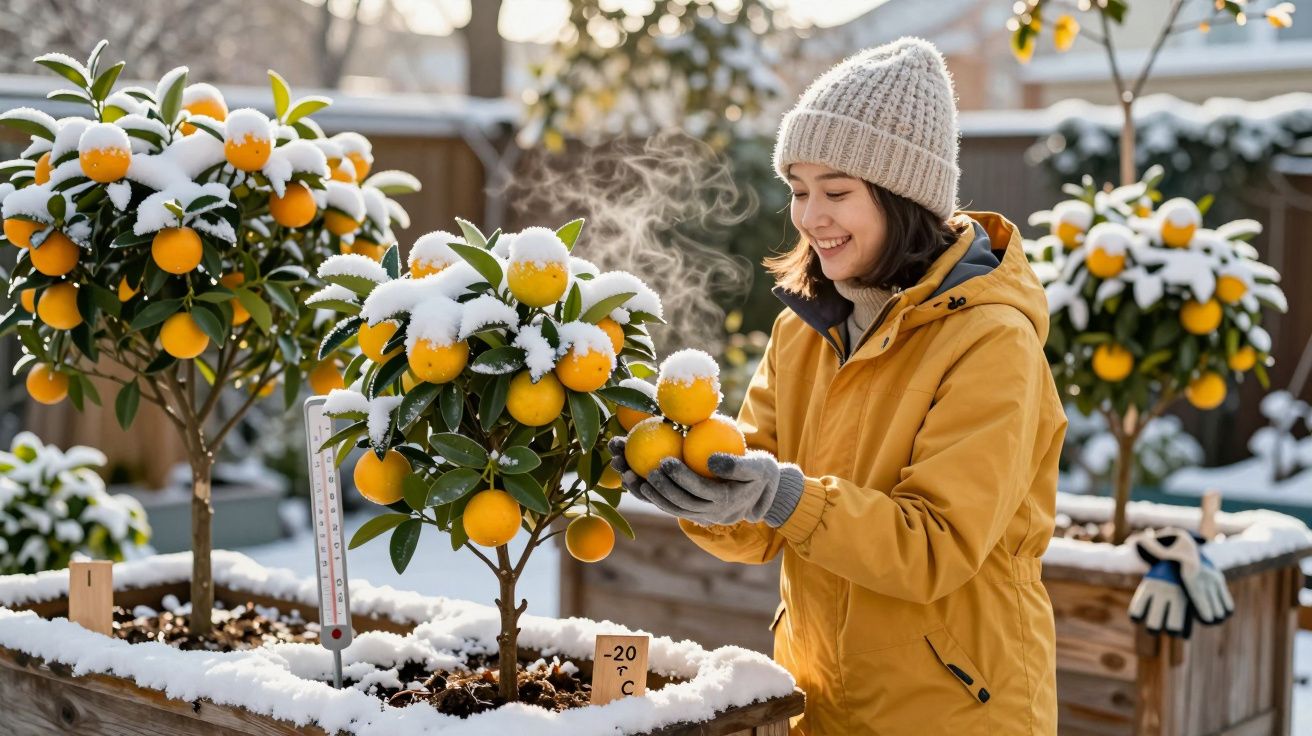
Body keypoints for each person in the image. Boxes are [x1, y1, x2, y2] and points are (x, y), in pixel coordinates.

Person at [609, 37, 1066, 735]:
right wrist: (700, 495)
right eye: (798, 190)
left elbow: (934, 546)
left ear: (903, 194)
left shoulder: (991, 340)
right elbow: (758, 517)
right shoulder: (805, 329)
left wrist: (783, 496)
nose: (808, 215)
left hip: (955, 714)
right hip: (821, 701)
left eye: (837, 192)